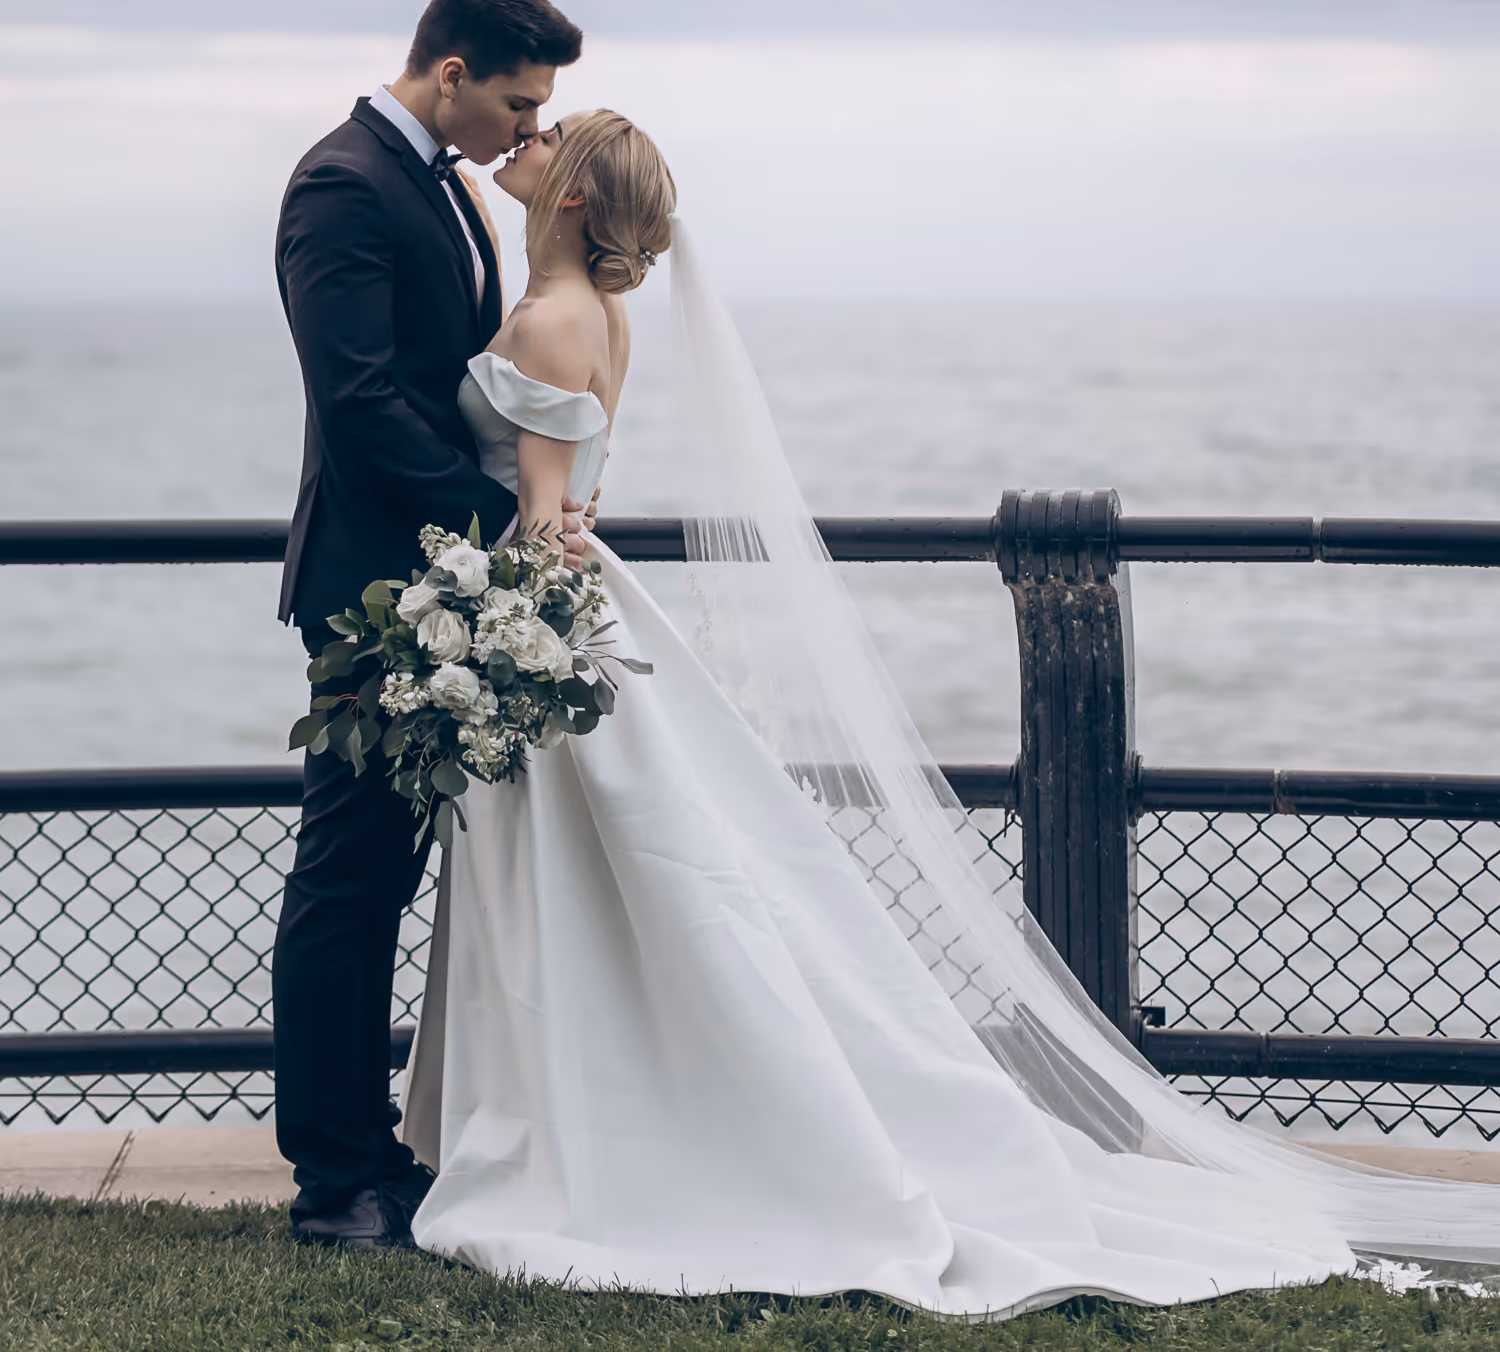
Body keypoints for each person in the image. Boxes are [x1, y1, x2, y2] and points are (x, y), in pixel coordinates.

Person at [399, 108, 1500, 1315]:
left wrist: (476, 618)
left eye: (550, 132)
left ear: (570, 194)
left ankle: (595, 1128)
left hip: (548, 618)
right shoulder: (599, 313)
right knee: (643, 893)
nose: (530, 133)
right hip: (585, 613)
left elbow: (544, 523)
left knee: (580, 896)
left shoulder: (552, 319)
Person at [271, 0, 586, 1250]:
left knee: (387, 880)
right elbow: (358, 403)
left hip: (440, 583)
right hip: (370, 591)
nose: (528, 128)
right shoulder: (342, 184)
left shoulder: (448, 186)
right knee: (346, 881)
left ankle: (379, 1152)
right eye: (517, 103)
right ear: (451, 73)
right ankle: (332, 1178)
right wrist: (501, 518)